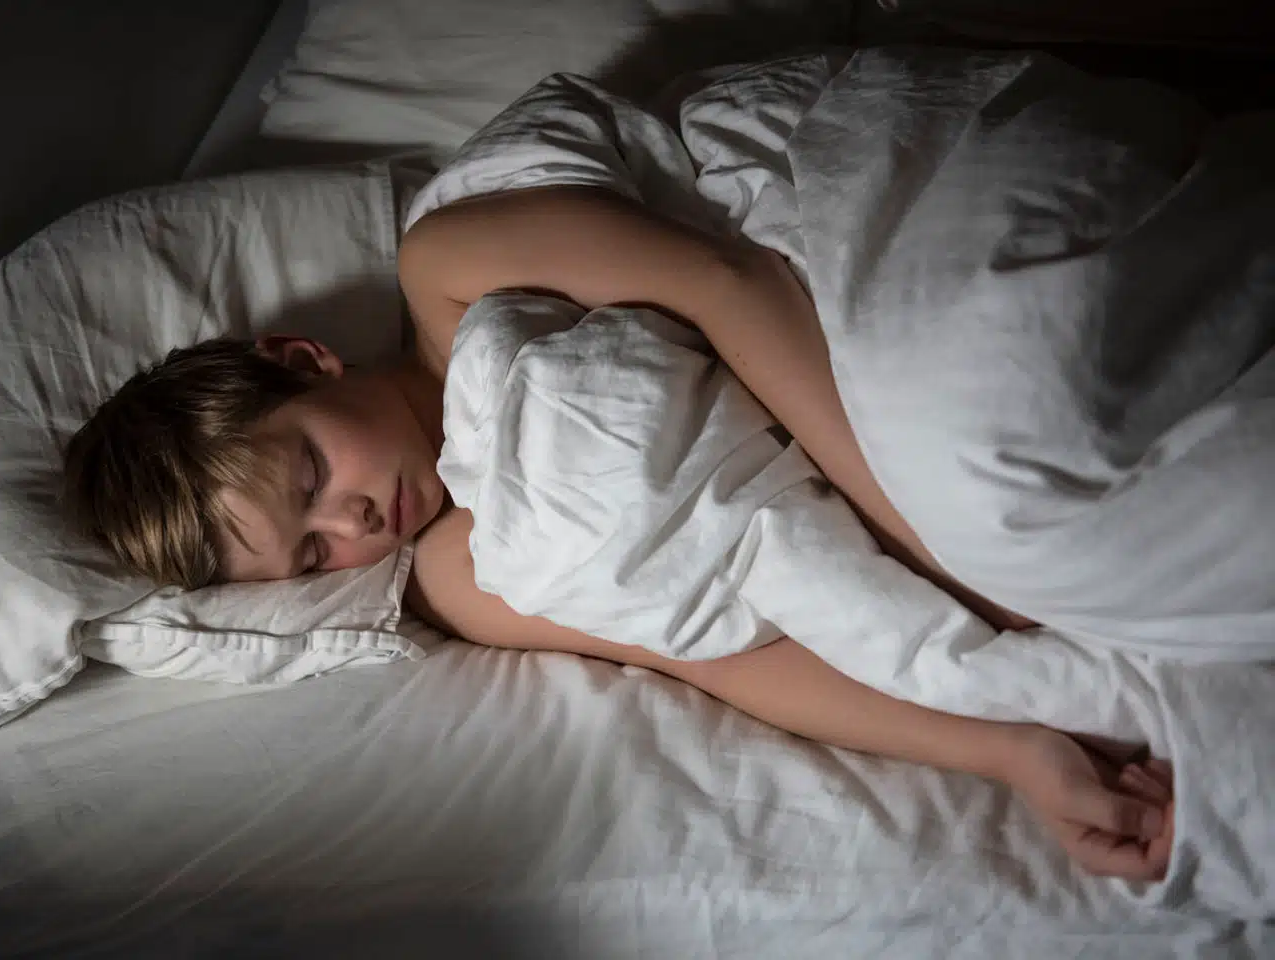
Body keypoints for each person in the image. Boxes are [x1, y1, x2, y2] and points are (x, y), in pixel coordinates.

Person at [64, 184, 1175, 881]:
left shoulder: (448, 271)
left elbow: (728, 277)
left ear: (304, 362)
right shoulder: (460, 574)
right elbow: (721, 650)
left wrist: (939, 545)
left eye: (308, 470)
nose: (349, 519)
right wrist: (1015, 748)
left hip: (871, 359)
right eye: (312, 555)